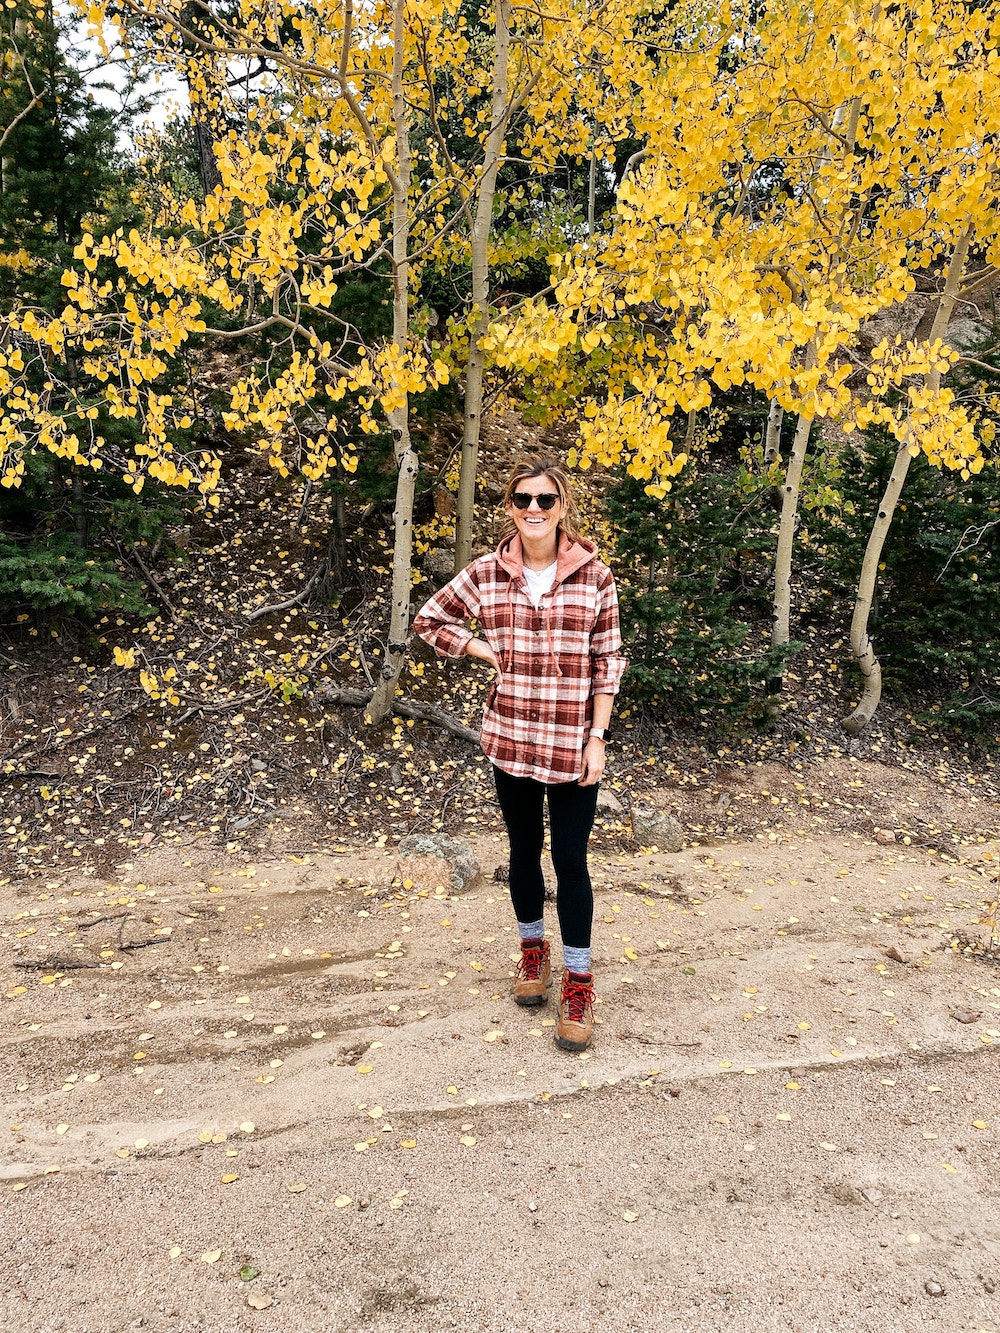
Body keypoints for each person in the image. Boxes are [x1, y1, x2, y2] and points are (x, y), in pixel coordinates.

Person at [412, 458, 627, 1051]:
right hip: (510, 741)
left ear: (563, 508)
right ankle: (533, 955)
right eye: (522, 499)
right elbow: (430, 622)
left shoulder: (595, 576)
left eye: (545, 500)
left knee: (572, 862)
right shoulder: (486, 573)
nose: (533, 509)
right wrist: (483, 651)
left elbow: (608, 662)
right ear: (509, 506)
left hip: (569, 745)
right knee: (523, 854)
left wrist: (597, 739)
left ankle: (579, 981)